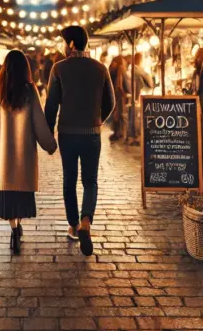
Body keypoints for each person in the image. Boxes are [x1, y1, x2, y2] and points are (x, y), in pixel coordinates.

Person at [0, 50, 57, 254]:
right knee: (20, 194)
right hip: (23, 155)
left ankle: (14, 228)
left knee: (7, 195)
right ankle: (16, 228)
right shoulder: (30, 91)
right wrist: (49, 144)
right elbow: (39, 121)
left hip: (2, 156)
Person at [45, 26, 115, 256]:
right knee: (90, 181)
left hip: (67, 133)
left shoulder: (59, 69)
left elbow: (51, 104)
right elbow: (111, 102)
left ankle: (74, 225)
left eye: (64, 42)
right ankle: (87, 220)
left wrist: (48, 132)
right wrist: (98, 119)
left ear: (72, 44)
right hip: (92, 134)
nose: (62, 46)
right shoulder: (100, 68)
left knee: (69, 179)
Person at [108, 55, 132, 141]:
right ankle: (122, 133)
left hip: (113, 93)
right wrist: (129, 91)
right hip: (120, 94)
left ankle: (116, 132)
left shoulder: (111, 68)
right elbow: (124, 81)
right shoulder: (121, 68)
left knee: (116, 113)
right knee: (122, 114)